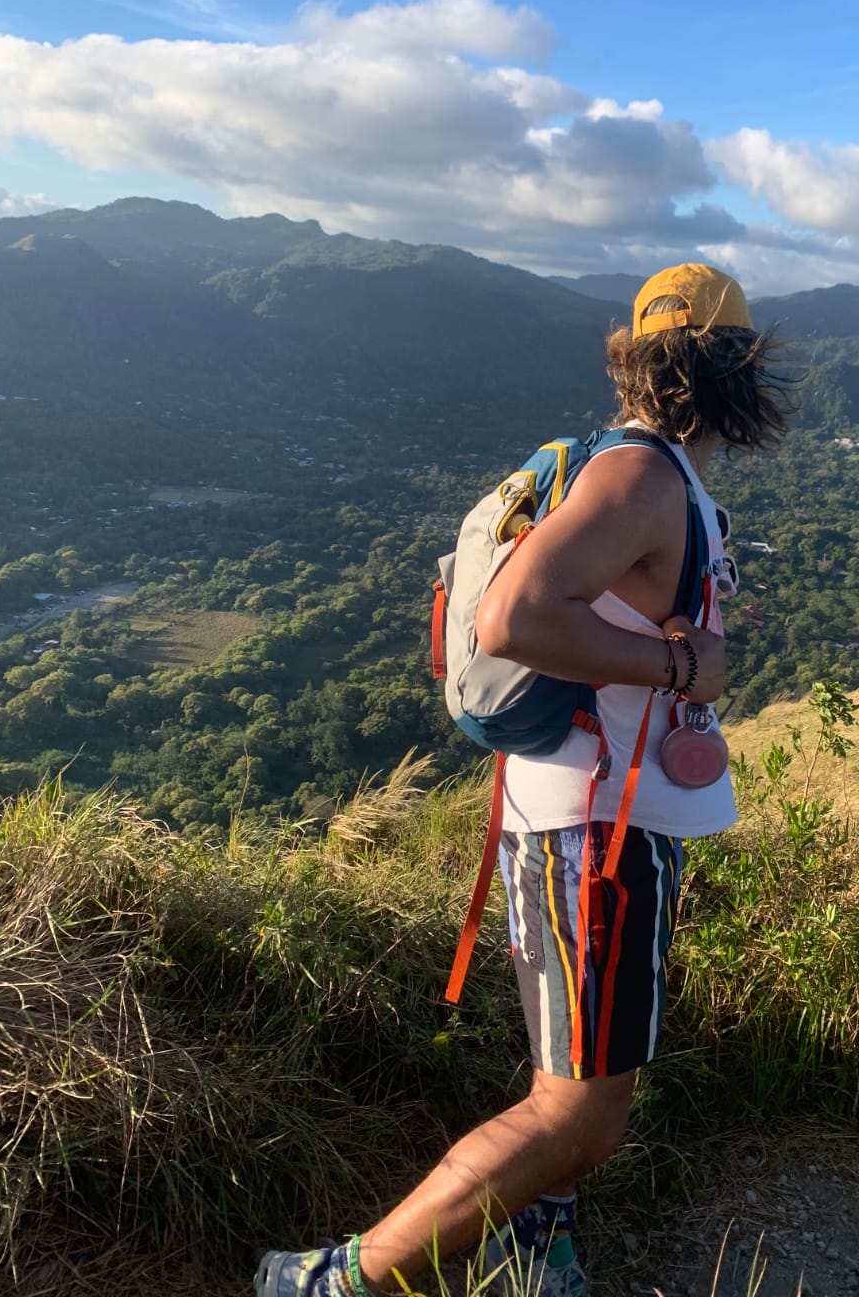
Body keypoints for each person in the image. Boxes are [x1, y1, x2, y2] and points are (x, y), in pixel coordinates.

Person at [256, 263, 797, 1297]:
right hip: (593, 827)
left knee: (568, 1079)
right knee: (578, 1117)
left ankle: (525, 1245)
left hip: (587, 812)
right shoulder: (637, 479)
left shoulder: (638, 468)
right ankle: (334, 1282)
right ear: (735, 368)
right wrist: (687, 666)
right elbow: (514, 618)